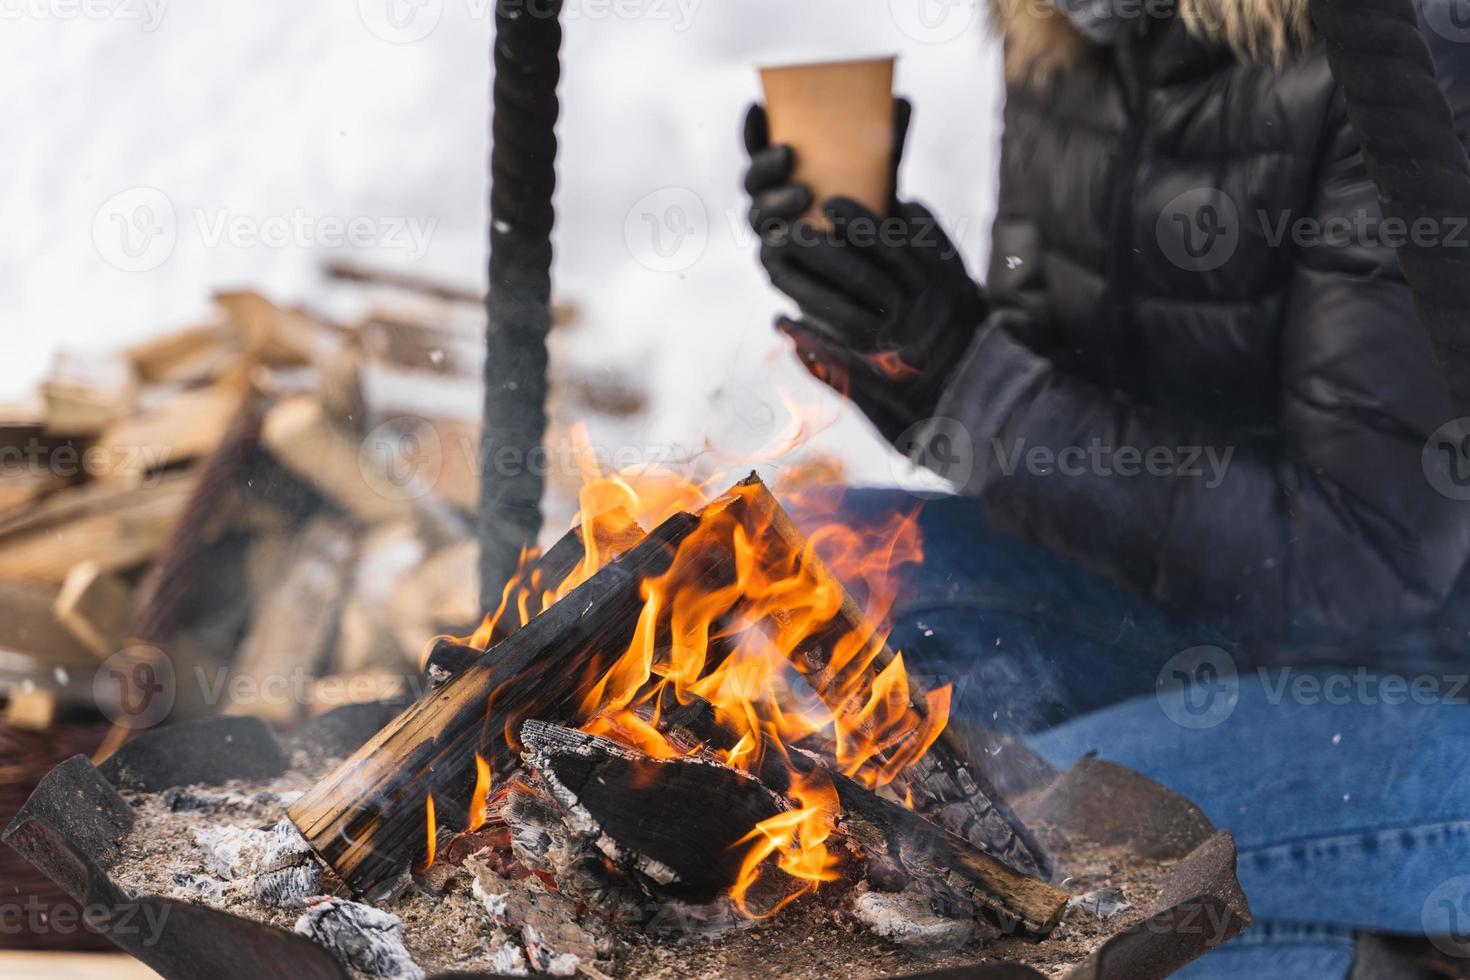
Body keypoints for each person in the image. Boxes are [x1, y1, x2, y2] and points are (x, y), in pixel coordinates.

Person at [748, 0, 1470, 975]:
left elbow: (1367, 561)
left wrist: (979, 377)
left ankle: (1376, 946)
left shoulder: (1402, 47)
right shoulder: (1067, 28)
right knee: (761, 595)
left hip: (1415, 691)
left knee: (1004, 858)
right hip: (1184, 626)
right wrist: (912, 341)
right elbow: (1044, 396)